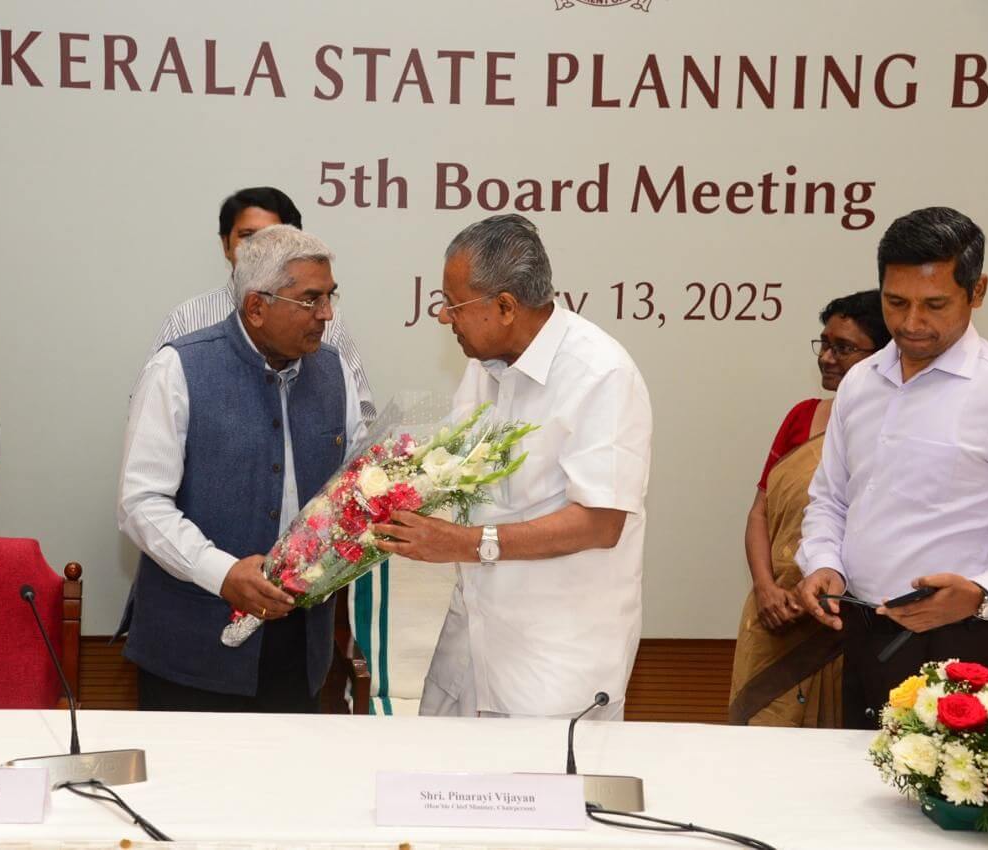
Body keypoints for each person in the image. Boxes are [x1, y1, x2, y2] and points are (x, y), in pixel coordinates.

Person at [373, 214, 652, 719]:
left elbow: (601, 523)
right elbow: (453, 466)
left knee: (535, 773)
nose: (443, 318)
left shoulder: (600, 374)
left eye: (454, 304)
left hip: (553, 657)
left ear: (505, 306)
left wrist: (464, 543)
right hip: (471, 639)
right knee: (439, 764)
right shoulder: (484, 367)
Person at [118, 225, 365, 712]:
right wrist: (223, 572)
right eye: (311, 300)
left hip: (299, 649)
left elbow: (352, 484)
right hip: (192, 649)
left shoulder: (335, 371)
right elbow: (141, 504)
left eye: (329, 296)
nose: (327, 314)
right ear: (256, 307)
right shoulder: (178, 368)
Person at [796, 206, 988, 729]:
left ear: (977, 291)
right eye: (896, 302)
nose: (911, 323)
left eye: (935, 304)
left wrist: (982, 594)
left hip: (967, 643)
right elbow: (831, 499)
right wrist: (823, 563)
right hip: (861, 632)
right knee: (854, 775)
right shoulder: (861, 381)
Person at [728, 290, 890, 726]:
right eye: (825, 343)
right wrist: (765, 589)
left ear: (883, 355)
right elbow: (760, 511)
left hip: (844, 621)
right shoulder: (803, 416)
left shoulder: (896, 429)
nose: (827, 357)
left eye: (844, 348)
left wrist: (820, 589)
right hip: (774, 615)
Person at [149, 186, 374, 421]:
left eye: (273, 238)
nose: (257, 249)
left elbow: (360, 418)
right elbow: (155, 414)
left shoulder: (328, 321)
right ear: (226, 245)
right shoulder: (186, 320)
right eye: (248, 236)